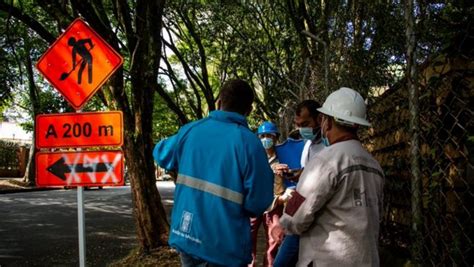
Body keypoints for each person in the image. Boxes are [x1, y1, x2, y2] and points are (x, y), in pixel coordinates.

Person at [153, 79, 274, 266]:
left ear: (219, 102)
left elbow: (160, 153)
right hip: (224, 246)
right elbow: (258, 203)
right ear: (248, 111)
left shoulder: (191, 131)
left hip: (187, 236)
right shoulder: (249, 143)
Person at [279, 87, 385, 266]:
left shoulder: (325, 161)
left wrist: (286, 221)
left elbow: (295, 218)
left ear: (326, 122)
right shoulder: (374, 166)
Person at [273, 100, 323, 267]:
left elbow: (311, 188)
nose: (302, 129)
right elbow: (306, 177)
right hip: (299, 214)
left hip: (309, 216)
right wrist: (297, 175)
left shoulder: (328, 149)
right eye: (298, 124)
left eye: (306, 124)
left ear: (320, 119)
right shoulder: (308, 144)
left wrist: (284, 222)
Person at [249, 121, 293, 267]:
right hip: (254, 204)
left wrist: (286, 194)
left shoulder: (284, 157)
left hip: (275, 204)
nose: (265, 139)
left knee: (274, 242)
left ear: (275, 138)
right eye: (262, 136)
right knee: (248, 241)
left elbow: (292, 181)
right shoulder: (253, 157)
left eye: (269, 135)